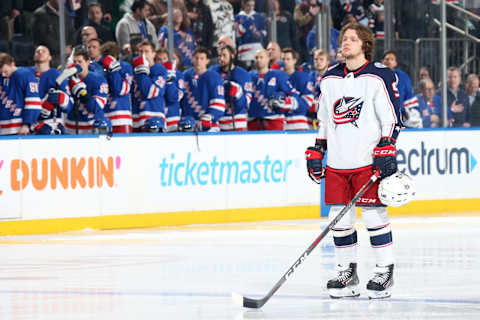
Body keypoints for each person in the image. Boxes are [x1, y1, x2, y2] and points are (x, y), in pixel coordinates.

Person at [305, 23, 402, 299]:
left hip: (366, 162)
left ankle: (384, 271)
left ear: (364, 44)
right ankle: (346, 272)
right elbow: (324, 121)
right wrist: (317, 150)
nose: (344, 43)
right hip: (337, 164)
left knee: (373, 216)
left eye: (351, 39)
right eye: (343, 38)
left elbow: (392, 118)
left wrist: (387, 147)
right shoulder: (329, 79)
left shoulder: (379, 76)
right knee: (340, 220)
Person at [247, 48, 299, 131]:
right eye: (256, 57)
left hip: (274, 121)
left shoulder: (279, 75)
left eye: (261, 57)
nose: (258, 60)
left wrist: (284, 103)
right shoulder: (249, 76)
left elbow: (294, 95)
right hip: (252, 121)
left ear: (268, 59)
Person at [64, 49, 109, 134]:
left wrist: (82, 93)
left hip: (91, 128)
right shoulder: (68, 79)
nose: (76, 64)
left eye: (80, 61)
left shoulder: (98, 80)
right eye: (74, 61)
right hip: (71, 128)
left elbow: (97, 107)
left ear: (88, 62)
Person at [30, 45, 72, 135]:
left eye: (44, 51)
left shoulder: (58, 75)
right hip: (31, 124)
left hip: (52, 123)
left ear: (50, 57)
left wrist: (63, 99)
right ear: (33, 57)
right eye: (37, 51)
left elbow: (69, 106)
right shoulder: (27, 75)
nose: (40, 52)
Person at [182, 46, 226, 131]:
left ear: (207, 61)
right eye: (196, 58)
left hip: (209, 126)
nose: (198, 61)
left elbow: (219, 103)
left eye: (202, 58)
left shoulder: (214, 77)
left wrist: (210, 116)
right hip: (188, 125)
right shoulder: (186, 75)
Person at [131, 39, 171, 132]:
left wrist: (141, 70)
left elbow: (150, 92)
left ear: (153, 54)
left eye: (146, 51)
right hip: (136, 117)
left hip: (155, 117)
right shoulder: (135, 71)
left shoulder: (159, 69)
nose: (143, 54)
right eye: (141, 51)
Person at [210, 45, 252, 131]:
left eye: (224, 55)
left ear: (232, 56)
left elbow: (247, 101)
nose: (221, 58)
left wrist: (238, 93)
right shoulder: (213, 72)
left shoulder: (243, 74)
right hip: (218, 122)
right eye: (219, 56)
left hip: (237, 121)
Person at [0, 53, 42, 135]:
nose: (3, 75)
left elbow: (34, 103)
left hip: (20, 129)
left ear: (12, 64)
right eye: (1, 72)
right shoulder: (1, 77)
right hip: (3, 129)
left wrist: (26, 124)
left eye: (5, 71)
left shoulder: (26, 75)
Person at [100, 41, 134, 133]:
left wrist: (113, 69)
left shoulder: (124, 66)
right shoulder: (98, 68)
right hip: (103, 119)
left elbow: (121, 89)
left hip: (121, 117)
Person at [382, 50, 421, 128]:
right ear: (382, 61)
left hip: (398, 117)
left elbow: (408, 96)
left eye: (392, 59)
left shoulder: (403, 77)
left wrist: (405, 112)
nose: (389, 61)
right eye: (386, 59)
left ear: (395, 63)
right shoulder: (375, 76)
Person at [33, 0, 75, 68]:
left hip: (66, 54)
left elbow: (71, 31)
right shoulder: (41, 14)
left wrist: (70, 45)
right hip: (50, 55)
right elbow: (44, 37)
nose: (63, 2)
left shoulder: (65, 12)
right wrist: (62, 48)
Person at [280, 48, 312, 130]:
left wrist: (289, 103)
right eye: (283, 59)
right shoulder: (277, 77)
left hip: (298, 124)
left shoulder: (303, 77)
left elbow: (308, 102)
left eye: (288, 59)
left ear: (294, 60)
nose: (285, 62)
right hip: (280, 124)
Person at [155, 48, 184, 132]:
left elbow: (174, 97)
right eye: (159, 59)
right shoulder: (153, 75)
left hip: (173, 119)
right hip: (157, 119)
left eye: (164, 59)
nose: (162, 62)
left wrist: (169, 80)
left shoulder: (177, 75)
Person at [234, 0, 266, 68]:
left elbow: (264, 31)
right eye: (248, 5)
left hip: (256, 48)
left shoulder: (258, 16)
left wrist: (259, 34)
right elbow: (237, 34)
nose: (251, 8)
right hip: (243, 49)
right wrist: (246, 22)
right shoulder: (238, 17)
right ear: (243, 4)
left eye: (252, 5)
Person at [309, 49, 330, 128]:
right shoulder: (309, 76)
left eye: (321, 59)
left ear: (327, 61)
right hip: (311, 116)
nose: (318, 62)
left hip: (326, 116)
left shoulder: (332, 77)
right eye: (316, 59)